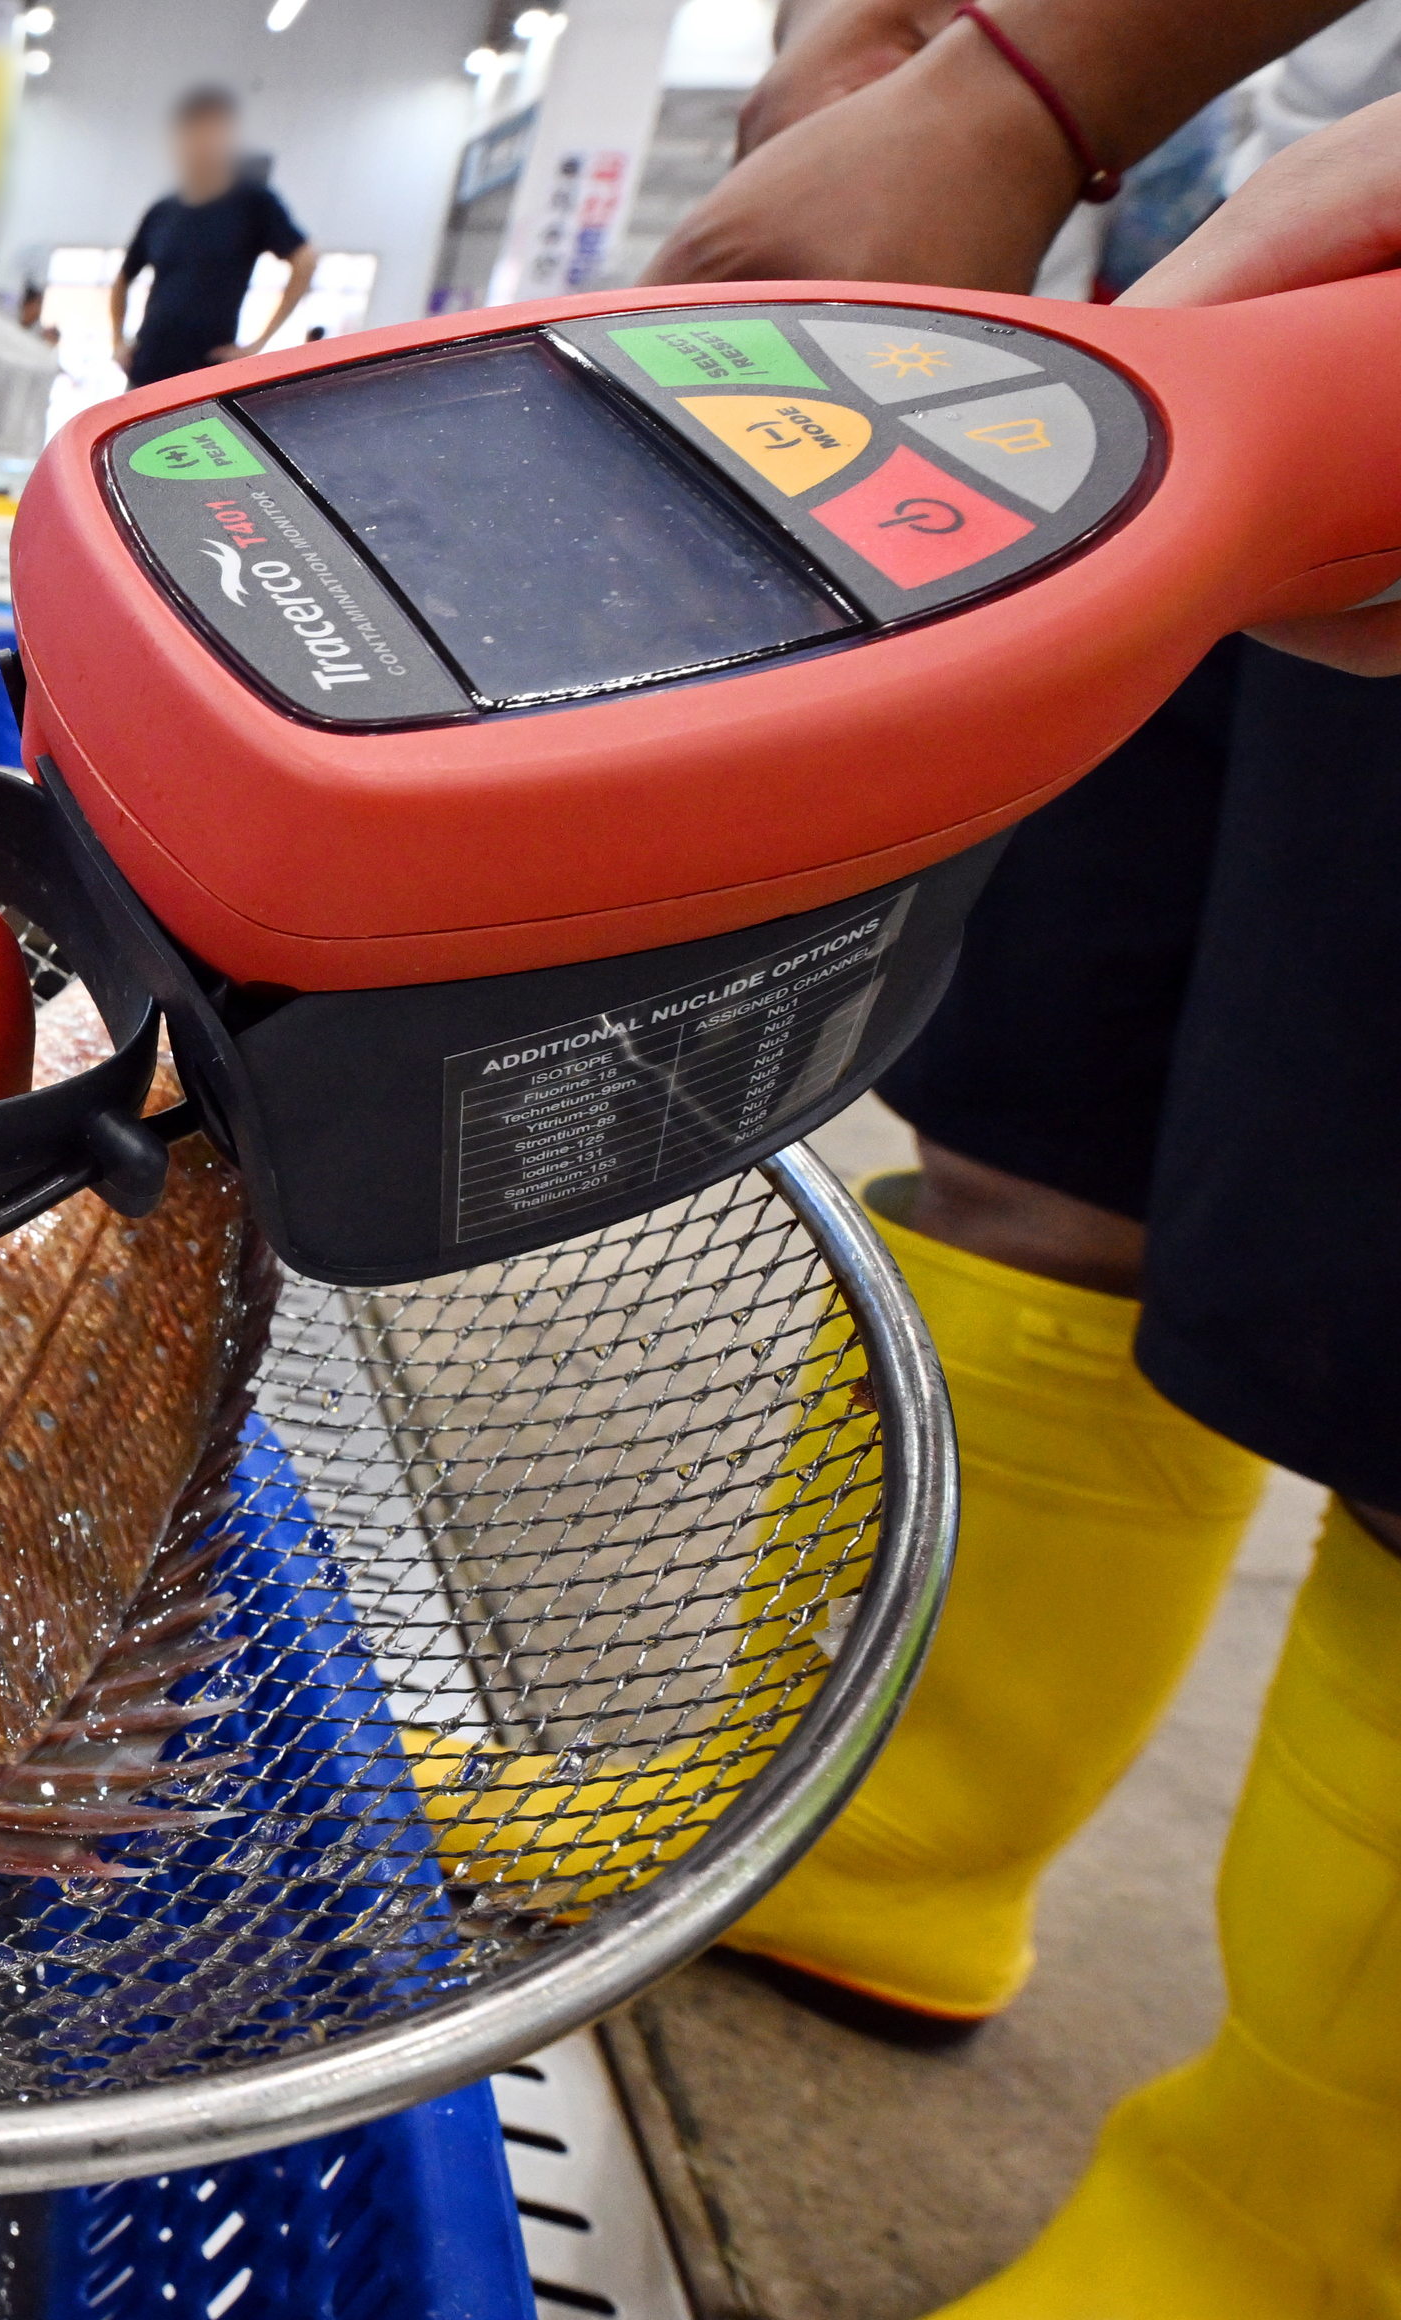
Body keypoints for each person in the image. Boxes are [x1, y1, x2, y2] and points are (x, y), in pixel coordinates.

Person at [648, 11, 1401, 2312]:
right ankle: (871, 1839)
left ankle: (1292, 2215)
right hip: (1228, 225)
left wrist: (1016, 80)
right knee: (1043, 1119)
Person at [110, 87, 317, 389]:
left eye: (212, 132)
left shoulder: (252, 203)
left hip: (206, 373)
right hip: (147, 368)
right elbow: (123, 277)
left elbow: (305, 259)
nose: (202, 143)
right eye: (194, 133)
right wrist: (118, 341)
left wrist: (258, 344)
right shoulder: (162, 211)